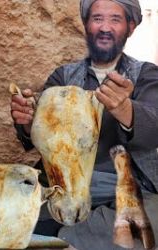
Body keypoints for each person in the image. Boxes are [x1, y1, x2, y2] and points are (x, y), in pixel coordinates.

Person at [11, 0, 158, 249]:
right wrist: (27, 122)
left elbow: (155, 129)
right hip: (64, 186)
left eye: (115, 19)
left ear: (131, 27)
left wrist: (124, 109)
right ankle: (76, 233)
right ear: (86, 25)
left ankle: (63, 237)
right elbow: (42, 135)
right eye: (97, 18)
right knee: (1, 207)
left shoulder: (147, 74)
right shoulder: (62, 77)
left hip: (128, 188)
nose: (105, 27)